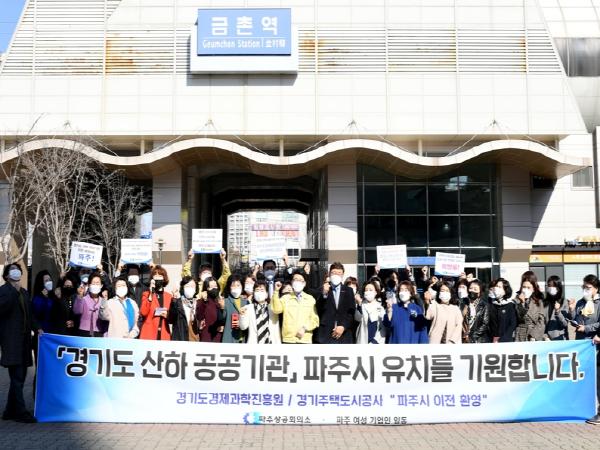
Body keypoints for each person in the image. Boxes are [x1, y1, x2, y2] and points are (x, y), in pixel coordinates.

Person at [0, 263, 42, 423]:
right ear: (6, 275)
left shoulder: (24, 292)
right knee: (17, 377)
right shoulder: (4, 291)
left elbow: (30, 315)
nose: (16, 271)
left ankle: (9, 411)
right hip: (11, 340)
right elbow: (3, 309)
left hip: (24, 341)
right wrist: (14, 292)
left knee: (20, 376)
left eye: (17, 269)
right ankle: (20, 411)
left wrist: (38, 328)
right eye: (12, 269)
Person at [271, 271, 319, 344]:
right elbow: (276, 310)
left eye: (300, 280)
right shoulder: (285, 298)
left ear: (304, 283)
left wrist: (305, 328)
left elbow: (315, 320)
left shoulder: (310, 299)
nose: (298, 282)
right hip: (288, 339)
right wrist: (276, 291)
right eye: (295, 279)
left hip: (305, 339)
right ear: (292, 282)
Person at [316, 262, 355, 344]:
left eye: (339, 273)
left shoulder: (348, 291)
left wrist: (343, 326)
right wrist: (324, 294)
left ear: (342, 275)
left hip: (344, 334)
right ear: (329, 274)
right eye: (334, 273)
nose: (336, 275)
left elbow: (351, 312)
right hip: (326, 333)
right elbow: (318, 309)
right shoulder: (321, 290)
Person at [139, 266, 172, 340]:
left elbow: (172, 317)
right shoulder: (146, 294)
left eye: (160, 276)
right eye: (155, 276)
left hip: (164, 333)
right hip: (149, 333)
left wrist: (167, 315)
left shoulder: (169, 296)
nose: (157, 278)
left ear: (164, 278)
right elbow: (143, 312)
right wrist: (151, 294)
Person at [515, 272, 547, 342]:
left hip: (534, 335)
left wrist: (533, 336)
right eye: (524, 287)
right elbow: (518, 318)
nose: (525, 290)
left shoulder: (539, 301)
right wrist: (522, 303)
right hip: (520, 335)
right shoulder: (516, 300)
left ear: (533, 288)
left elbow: (541, 321)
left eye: (528, 287)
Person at [73, 272, 108, 337]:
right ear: (89, 285)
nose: (95, 285)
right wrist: (80, 296)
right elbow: (77, 311)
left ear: (101, 286)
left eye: (97, 283)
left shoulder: (103, 300)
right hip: (84, 332)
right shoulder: (83, 299)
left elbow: (106, 319)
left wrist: (105, 335)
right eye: (93, 283)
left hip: (99, 332)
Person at [168, 276, 200, 342]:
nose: (190, 288)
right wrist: (174, 300)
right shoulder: (177, 302)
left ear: (196, 288)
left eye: (192, 286)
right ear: (183, 288)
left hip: (195, 340)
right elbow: (170, 319)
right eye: (187, 286)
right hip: (180, 339)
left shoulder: (199, 303)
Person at [196, 277, 226, 342]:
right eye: (211, 287)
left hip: (219, 337)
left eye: (215, 286)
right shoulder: (202, 301)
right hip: (206, 337)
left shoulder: (221, 301)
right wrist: (203, 301)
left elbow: (225, 318)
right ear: (206, 288)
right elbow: (199, 316)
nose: (214, 288)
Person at [221, 274, 249, 344]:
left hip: (244, 339)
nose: (236, 288)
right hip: (230, 338)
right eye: (233, 285)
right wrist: (221, 308)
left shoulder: (246, 302)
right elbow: (221, 319)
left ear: (242, 287)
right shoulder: (225, 301)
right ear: (229, 287)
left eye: (238, 285)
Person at [488, 278, 517, 343]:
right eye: (496, 286)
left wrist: (503, 339)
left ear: (505, 291)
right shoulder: (490, 305)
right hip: (491, 341)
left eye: (499, 287)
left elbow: (512, 324)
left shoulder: (510, 305)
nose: (496, 288)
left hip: (506, 341)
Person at [545, 276, 568, 341]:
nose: (551, 288)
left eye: (553, 286)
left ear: (558, 287)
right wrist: (544, 335)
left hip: (559, 338)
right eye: (549, 285)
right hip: (546, 339)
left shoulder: (564, 302)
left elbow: (564, 323)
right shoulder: (545, 302)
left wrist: (557, 311)